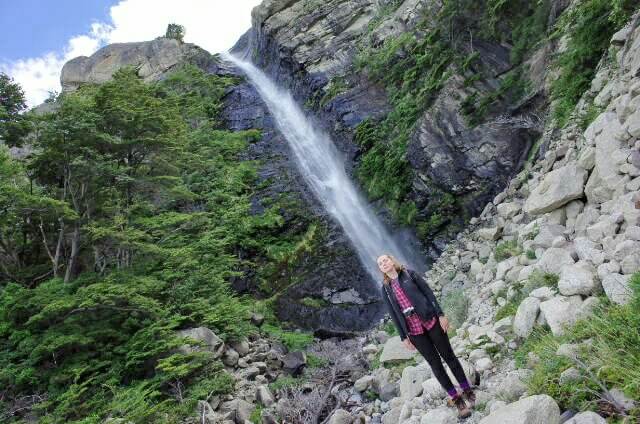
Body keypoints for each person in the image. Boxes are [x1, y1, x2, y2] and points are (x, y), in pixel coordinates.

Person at [376, 254, 475, 419]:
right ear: (380, 269)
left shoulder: (409, 274)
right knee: (435, 364)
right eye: (380, 263)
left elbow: (429, 293)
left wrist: (441, 314)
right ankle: (457, 400)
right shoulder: (385, 288)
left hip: (431, 320)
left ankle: (467, 390)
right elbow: (393, 314)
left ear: (392, 261)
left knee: (449, 356)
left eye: (385, 260)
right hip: (414, 332)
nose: (384, 263)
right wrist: (403, 337)